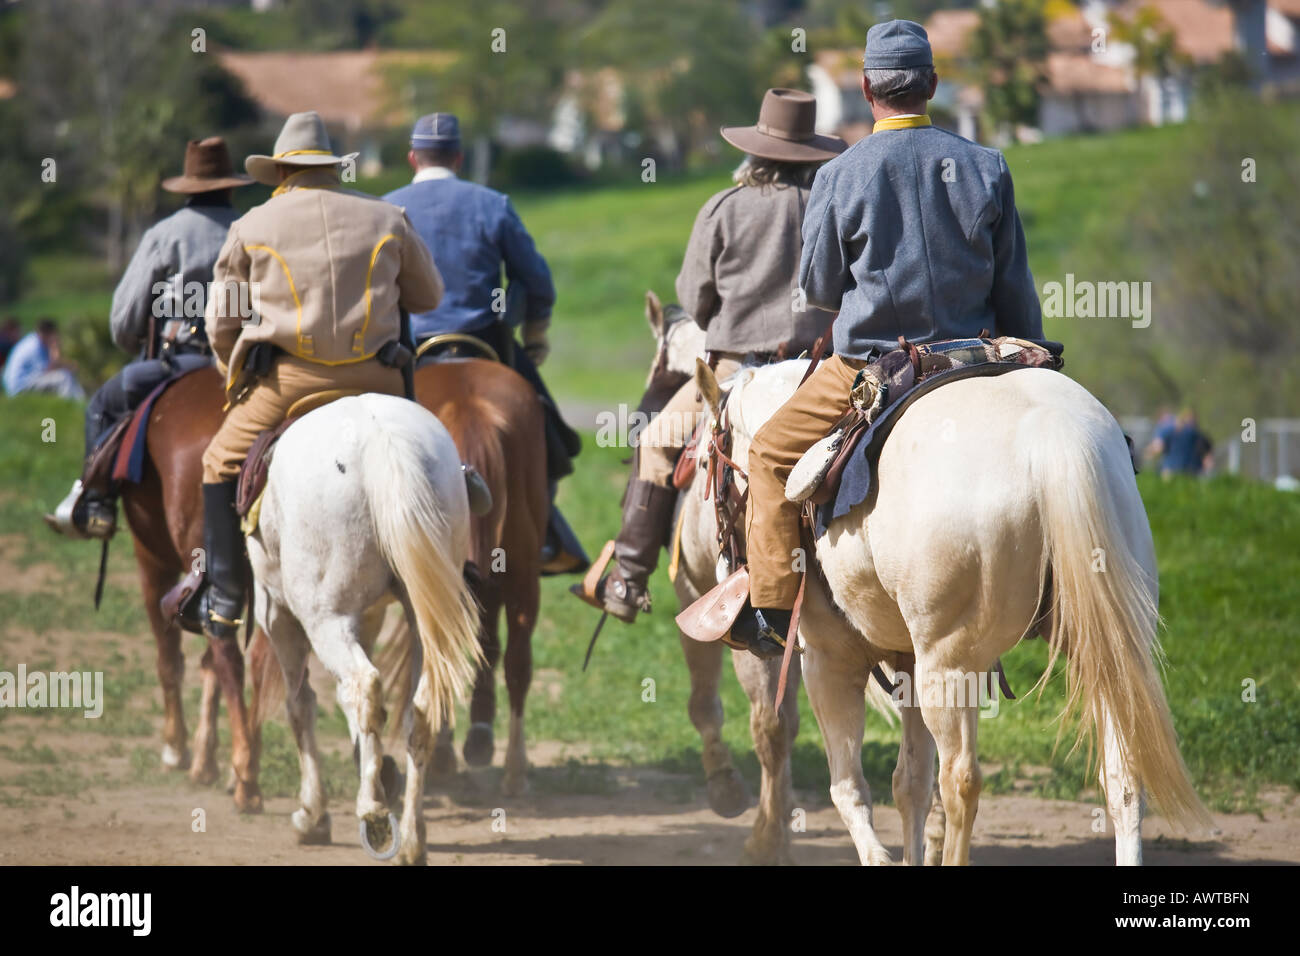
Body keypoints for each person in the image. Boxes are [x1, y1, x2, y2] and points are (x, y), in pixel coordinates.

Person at [739, 21, 1043, 656]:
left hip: (866, 364)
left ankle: (771, 612)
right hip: (977, 357)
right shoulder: (985, 164)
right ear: (931, 84)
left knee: (767, 455)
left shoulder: (841, 175)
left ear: (866, 89)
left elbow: (819, 287)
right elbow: (1014, 288)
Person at [164, 111, 444, 642]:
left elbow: (222, 323)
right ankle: (462, 563)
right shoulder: (388, 216)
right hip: (378, 381)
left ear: (281, 172)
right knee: (437, 455)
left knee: (218, 461)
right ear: (333, 168)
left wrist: (232, 369)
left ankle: (223, 596)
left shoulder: (251, 227)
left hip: (287, 384)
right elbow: (429, 297)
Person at [573, 88, 845, 623]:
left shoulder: (724, 208)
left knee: (654, 444)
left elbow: (695, 300)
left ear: (755, 152)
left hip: (737, 370)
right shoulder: (830, 208)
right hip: (819, 373)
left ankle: (627, 580)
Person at [384, 112, 586, 574]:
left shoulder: (386, 209)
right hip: (487, 346)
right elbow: (537, 282)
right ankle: (545, 534)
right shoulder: (493, 203)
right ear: (458, 157)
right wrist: (534, 337)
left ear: (412, 158)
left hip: (406, 357)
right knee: (554, 443)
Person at [45, 137, 254, 539]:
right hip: (245, 369)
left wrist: (138, 348)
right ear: (230, 186)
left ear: (188, 187)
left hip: (177, 362)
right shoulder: (253, 229)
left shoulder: (165, 234)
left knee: (102, 405)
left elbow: (124, 319)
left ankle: (96, 502)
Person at [3, 318, 84, 400]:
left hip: (17, 385)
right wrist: (54, 348)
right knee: (64, 377)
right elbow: (47, 371)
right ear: (49, 334)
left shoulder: (33, 340)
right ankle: (73, 405)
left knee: (64, 374)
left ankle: (80, 402)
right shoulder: (34, 347)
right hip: (18, 388)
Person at [1149, 408, 1213, 477]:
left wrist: (1150, 453)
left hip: (1172, 470)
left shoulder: (1168, 431)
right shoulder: (1197, 434)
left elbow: (1158, 447)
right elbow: (1208, 458)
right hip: (1189, 471)